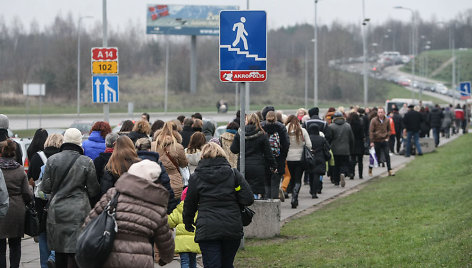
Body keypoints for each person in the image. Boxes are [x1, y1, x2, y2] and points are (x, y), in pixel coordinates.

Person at [84, 160, 175, 268]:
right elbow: (165, 239)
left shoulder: (113, 194)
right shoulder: (157, 206)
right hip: (140, 261)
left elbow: (90, 221)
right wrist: (166, 258)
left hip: (109, 256)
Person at [183, 143, 254, 267]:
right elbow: (248, 199)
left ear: (202, 157)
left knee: (212, 264)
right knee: (227, 264)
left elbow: (190, 203)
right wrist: (236, 193)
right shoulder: (233, 174)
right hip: (231, 226)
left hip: (207, 228)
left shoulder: (196, 177)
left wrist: (188, 223)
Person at [41, 128, 100, 268]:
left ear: (65, 140)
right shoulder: (86, 161)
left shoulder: (52, 160)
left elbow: (46, 188)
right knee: (76, 251)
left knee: (59, 250)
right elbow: (93, 190)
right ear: (80, 142)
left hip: (57, 211)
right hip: (79, 211)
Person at [27, 134, 63, 268]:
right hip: (59, 201)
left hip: (41, 203)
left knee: (43, 235)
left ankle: (45, 263)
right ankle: (54, 257)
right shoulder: (62, 156)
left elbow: (30, 180)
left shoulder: (37, 157)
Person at [0, 140, 33, 268]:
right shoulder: (19, 169)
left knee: (1, 247)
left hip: (1, 208)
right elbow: (27, 193)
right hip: (16, 209)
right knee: (15, 245)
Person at [230, 113, 277, 199]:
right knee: (255, 190)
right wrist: (273, 166)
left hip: (243, 165)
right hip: (257, 166)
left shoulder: (240, 133)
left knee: (243, 188)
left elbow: (234, 149)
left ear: (246, 120)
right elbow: (268, 153)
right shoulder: (262, 134)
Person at [135, 138, 177, 214]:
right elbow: (166, 184)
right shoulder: (156, 163)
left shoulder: (132, 163)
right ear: (149, 149)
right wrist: (171, 206)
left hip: (136, 204)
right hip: (155, 203)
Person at [152, 122, 188, 200]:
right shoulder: (178, 147)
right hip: (175, 183)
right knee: (175, 208)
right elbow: (184, 164)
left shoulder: (153, 146)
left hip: (157, 181)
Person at [260, 107, 290, 198]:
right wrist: (283, 157)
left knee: (266, 183)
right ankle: (274, 204)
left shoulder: (261, 127)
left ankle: (266, 202)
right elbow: (286, 144)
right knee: (275, 184)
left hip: (264, 159)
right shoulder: (281, 127)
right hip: (278, 159)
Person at [168, 187, 201, 268]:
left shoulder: (178, 209)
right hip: (194, 240)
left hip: (182, 242)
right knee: (193, 260)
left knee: (184, 261)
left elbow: (170, 222)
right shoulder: (198, 209)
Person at [285, 115, 311, 208]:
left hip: (289, 158)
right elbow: (309, 144)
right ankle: (295, 197)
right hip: (300, 158)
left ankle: (291, 192)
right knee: (298, 179)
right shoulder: (302, 131)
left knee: (291, 177)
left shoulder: (285, 130)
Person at [328, 112, 354, 187]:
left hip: (334, 149)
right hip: (345, 149)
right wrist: (351, 149)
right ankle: (343, 173)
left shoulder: (331, 126)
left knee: (336, 165)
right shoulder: (348, 126)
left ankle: (336, 181)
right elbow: (351, 139)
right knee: (344, 164)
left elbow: (329, 138)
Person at [369, 107, 395, 176]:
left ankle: (389, 170)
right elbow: (371, 131)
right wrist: (371, 141)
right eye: (379, 112)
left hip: (384, 140)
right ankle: (370, 168)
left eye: (381, 112)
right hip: (376, 140)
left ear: (384, 113)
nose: (380, 114)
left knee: (387, 155)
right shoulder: (374, 120)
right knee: (375, 156)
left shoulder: (387, 120)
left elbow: (389, 129)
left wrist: (388, 136)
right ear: (377, 113)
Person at [307, 124, 330, 197]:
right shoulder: (322, 139)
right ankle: (315, 191)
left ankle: (311, 189)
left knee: (311, 174)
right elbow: (328, 147)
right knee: (317, 175)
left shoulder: (308, 138)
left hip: (310, 157)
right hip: (320, 157)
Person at [347, 111, 365, 179]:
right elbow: (362, 135)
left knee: (352, 159)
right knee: (360, 160)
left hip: (352, 144)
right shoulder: (360, 124)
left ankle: (352, 173)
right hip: (359, 143)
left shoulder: (349, 125)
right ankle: (360, 174)